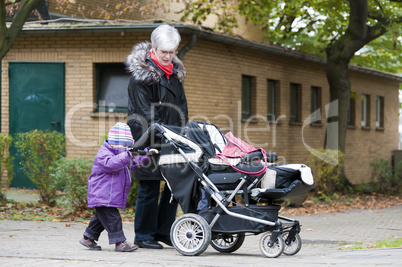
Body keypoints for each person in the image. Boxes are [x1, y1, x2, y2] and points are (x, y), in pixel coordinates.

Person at [125, 24, 188, 249]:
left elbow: (182, 107)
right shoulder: (141, 77)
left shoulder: (174, 75)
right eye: (164, 52)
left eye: (172, 52)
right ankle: (143, 236)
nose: (169, 57)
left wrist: (182, 134)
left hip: (172, 136)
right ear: (154, 48)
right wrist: (163, 137)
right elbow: (145, 114)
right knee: (149, 186)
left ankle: (163, 231)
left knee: (174, 186)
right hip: (147, 138)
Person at [79, 122, 158, 252]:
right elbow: (111, 164)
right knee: (113, 218)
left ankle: (88, 237)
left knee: (101, 219)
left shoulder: (123, 155)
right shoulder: (104, 153)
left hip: (108, 195)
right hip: (102, 194)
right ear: (113, 143)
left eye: (128, 146)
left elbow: (134, 162)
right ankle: (120, 242)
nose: (127, 148)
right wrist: (127, 155)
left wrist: (146, 155)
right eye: (124, 145)